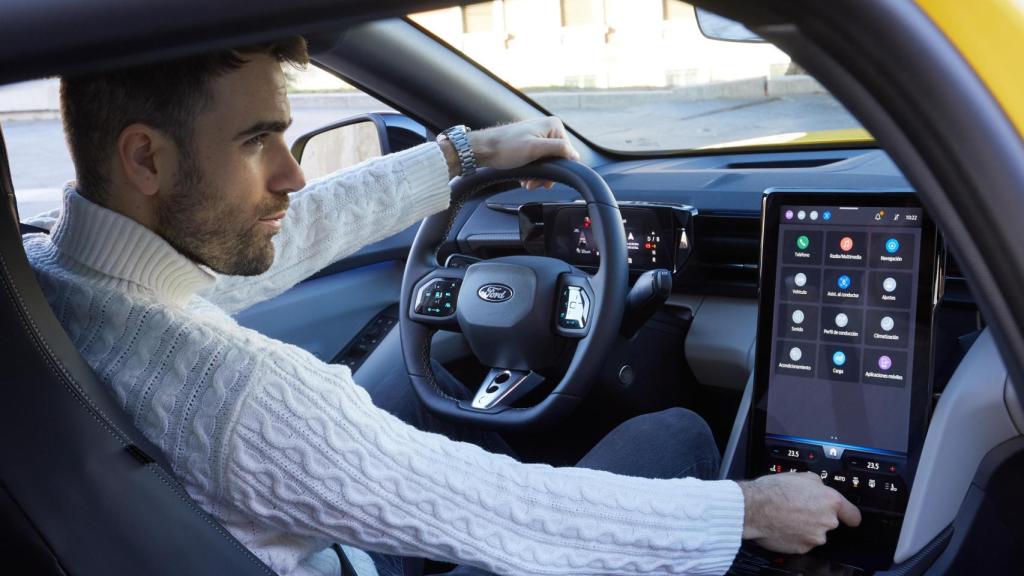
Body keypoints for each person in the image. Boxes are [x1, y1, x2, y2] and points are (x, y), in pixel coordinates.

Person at [23, 37, 859, 576]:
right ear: (146, 159)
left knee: (449, 411)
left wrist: (458, 158)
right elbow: (498, 509)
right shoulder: (241, 398)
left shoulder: (47, 279)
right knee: (669, 435)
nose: (292, 173)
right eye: (256, 142)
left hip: (294, 531)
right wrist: (747, 509)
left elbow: (281, 235)